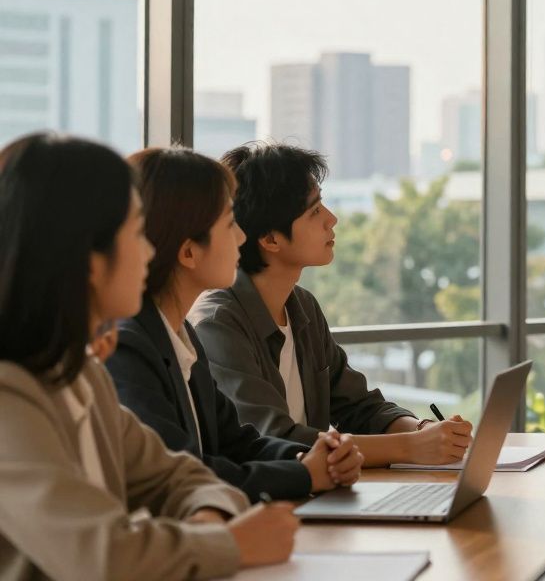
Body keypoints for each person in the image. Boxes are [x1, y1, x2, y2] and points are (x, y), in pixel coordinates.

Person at [0, 133, 299, 579]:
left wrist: (208, 523)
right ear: (89, 259)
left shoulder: (83, 377)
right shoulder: (9, 398)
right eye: (137, 232)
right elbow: (102, 556)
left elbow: (183, 477)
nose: (149, 250)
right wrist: (229, 543)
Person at [190, 142, 472, 467]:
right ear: (271, 239)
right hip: (264, 496)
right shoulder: (217, 322)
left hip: (315, 489)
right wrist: (411, 447)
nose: (332, 219)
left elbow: (359, 407)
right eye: (314, 211)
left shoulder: (302, 306)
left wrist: (425, 431)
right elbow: (274, 439)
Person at [107, 147, 365, 501]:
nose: (242, 238)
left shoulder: (181, 336)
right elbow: (183, 473)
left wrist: (315, 459)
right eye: (230, 224)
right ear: (189, 252)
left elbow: (238, 443)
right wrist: (305, 474)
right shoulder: (129, 347)